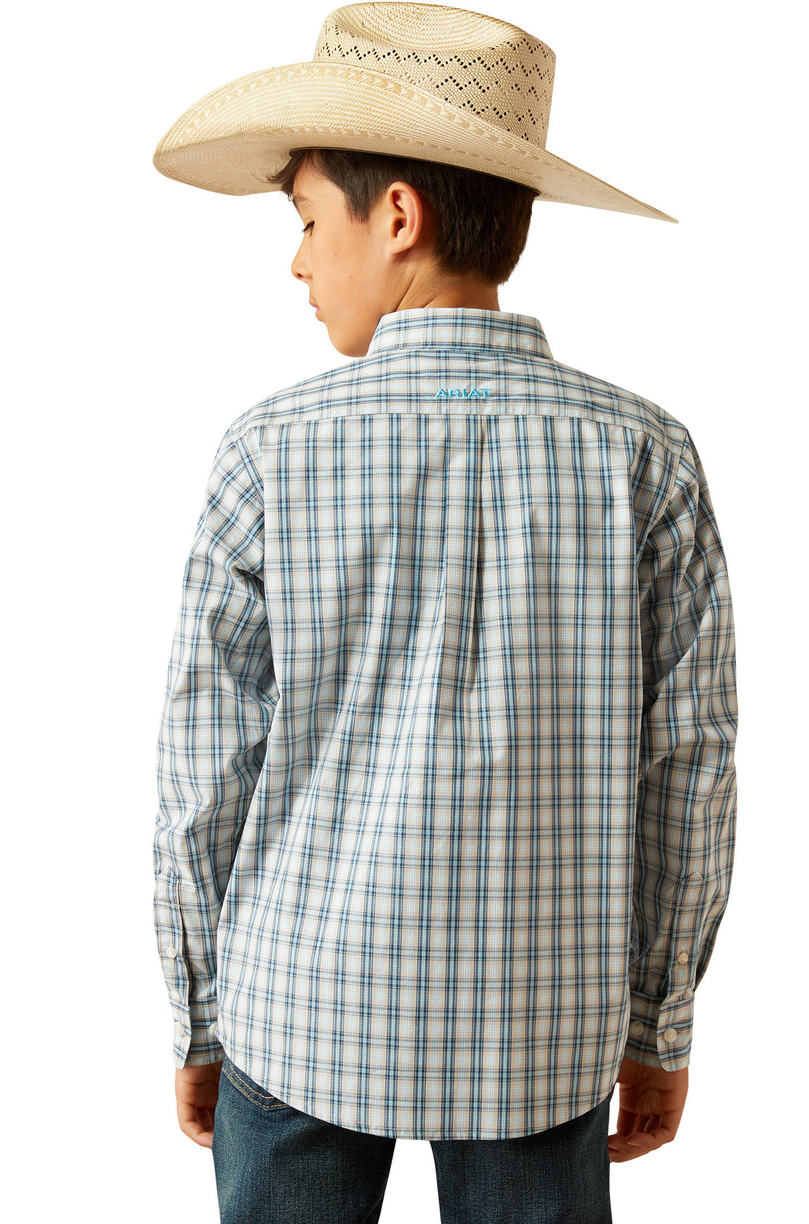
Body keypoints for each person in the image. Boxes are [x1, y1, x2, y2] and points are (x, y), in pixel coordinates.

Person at [149, 5, 738, 1222]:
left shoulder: (268, 455)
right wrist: (659, 1017)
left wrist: (199, 1006)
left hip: (298, 1010)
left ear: (399, 217)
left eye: (310, 221)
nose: (300, 262)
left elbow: (206, 768)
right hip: (544, 1027)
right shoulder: (643, 455)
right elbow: (690, 769)